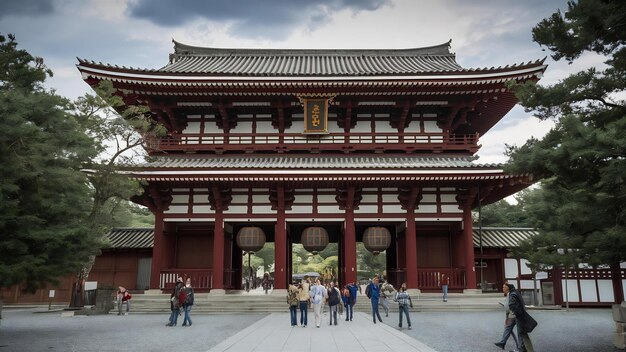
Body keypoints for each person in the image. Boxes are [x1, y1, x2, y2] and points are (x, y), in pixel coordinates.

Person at [508, 283, 537, 352]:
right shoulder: (516, 292)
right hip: (521, 315)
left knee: (522, 333)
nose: (503, 289)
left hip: (519, 316)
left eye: (504, 288)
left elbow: (512, 305)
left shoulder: (513, 294)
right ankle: (522, 349)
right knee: (521, 333)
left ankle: (527, 350)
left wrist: (516, 313)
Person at [495, 283, 519, 350]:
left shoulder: (509, 294)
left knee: (508, 329)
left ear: (508, 288)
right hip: (514, 315)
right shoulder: (512, 294)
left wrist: (507, 317)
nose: (503, 289)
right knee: (509, 329)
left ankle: (503, 343)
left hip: (512, 316)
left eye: (504, 287)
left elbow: (508, 307)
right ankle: (503, 342)